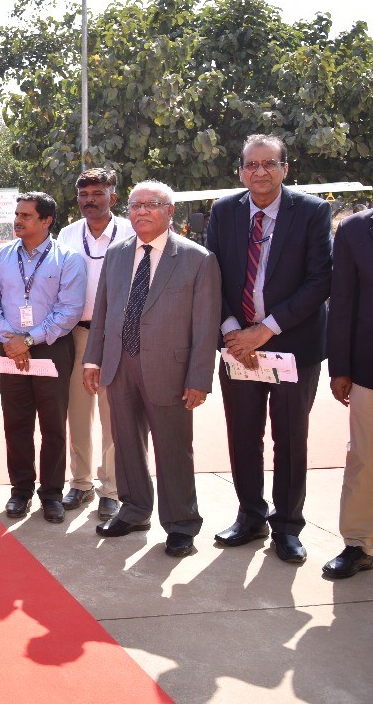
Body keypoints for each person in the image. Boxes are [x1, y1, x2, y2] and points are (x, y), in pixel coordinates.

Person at [204, 134, 332, 564]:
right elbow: (212, 276)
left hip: (291, 347)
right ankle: (250, 515)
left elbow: (320, 281)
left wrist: (265, 330)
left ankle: (288, 526)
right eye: (251, 164)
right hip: (237, 347)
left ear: (284, 168)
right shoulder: (224, 212)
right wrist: (232, 332)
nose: (259, 172)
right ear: (240, 169)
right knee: (243, 435)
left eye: (268, 164)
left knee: (290, 439)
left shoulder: (312, 212)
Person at [84, 182, 221, 557]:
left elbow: (205, 327)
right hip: (119, 363)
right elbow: (103, 313)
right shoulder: (116, 254)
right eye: (135, 205)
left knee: (173, 449)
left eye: (152, 205)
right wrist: (93, 359)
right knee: (126, 443)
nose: (142, 211)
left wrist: (198, 379)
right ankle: (135, 509)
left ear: (170, 211)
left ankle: (180, 524)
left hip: (170, 370)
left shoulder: (197, 258)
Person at [0, 192, 86, 523]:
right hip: (11, 347)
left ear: (46, 221)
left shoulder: (68, 259)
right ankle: (20, 491)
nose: (18, 220)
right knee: (16, 422)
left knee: (53, 423)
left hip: (52, 347)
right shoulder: (0, 257)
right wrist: (12, 340)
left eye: (26, 215)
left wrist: (28, 339)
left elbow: (69, 311)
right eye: (17, 214)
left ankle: (51, 493)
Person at [56, 168, 134, 521]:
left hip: (119, 335)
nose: (89, 200)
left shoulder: (132, 231)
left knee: (114, 413)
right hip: (76, 333)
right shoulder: (68, 235)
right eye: (83, 194)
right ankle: (81, 482)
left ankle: (112, 489)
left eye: (97, 193)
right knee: (78, 412)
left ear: (113, 198)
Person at [322, 208, 373, 578]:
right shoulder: (355, 229)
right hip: (369, 368)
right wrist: (339, 367)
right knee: (364, 458)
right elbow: (342, 302)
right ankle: (359, 543)